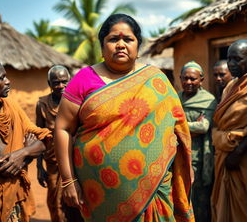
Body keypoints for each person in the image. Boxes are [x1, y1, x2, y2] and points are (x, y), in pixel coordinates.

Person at [54, 14, 194, 222]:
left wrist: (185, 167)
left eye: (128, 39)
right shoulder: (83, 79)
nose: (120, 45)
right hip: (100, 198)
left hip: (156, 189)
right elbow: (63, 129)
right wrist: (68, 180)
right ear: (102, 47)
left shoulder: (156, 80)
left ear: (138, 47)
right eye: (113, 39)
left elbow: (178, 130)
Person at [0, 58, 51, 222]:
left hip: (15, 193)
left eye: (6, 76)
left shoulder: (10, 106)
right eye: (1, 78)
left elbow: (42, 138)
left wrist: (23, 153)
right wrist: (16, 160)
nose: (8, 81)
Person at [36, 65, 83, 222]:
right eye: (56, 82)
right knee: (56, 203)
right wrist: (38, 167)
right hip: (53, 163)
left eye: (64, 82)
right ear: (49, 84)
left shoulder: (78, 102)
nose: (61, 86)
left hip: (76, 161)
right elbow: (39, 136)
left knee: (78, 201)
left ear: (71, 81)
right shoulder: (42, 105)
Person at [211, 40, 247, 222]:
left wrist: (238, 153)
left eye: (237, 59)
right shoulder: (230, 87)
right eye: (229, 58)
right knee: (223, 206)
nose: (231, 64)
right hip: (224, 154)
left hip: (241, 158)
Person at [179, 61, 217, 222]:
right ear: (180, 78)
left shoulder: (207, 100)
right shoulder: (176, 98)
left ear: (201, 79)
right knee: (181, 195)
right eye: (185, 78)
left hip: (199, 158)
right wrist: (190, 128)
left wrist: (178, 126)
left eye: (193, 79)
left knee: (199, 198)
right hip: (177, 154)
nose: (189, 82)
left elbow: (203, 126)